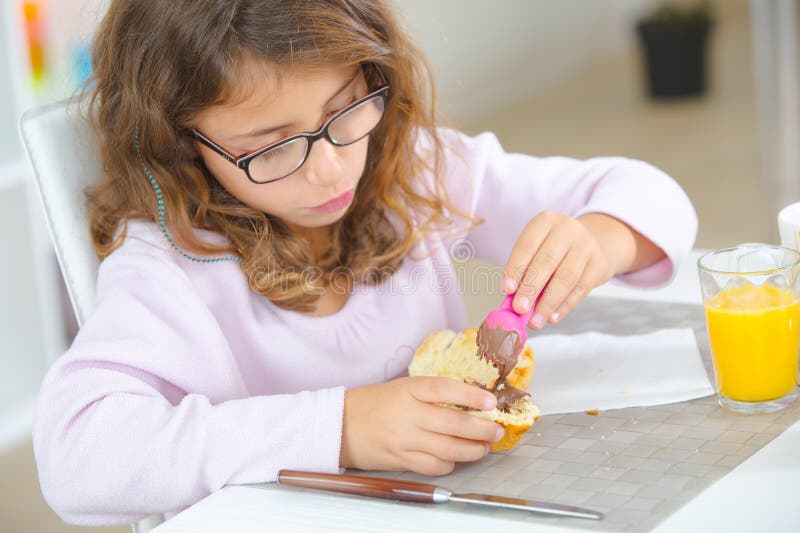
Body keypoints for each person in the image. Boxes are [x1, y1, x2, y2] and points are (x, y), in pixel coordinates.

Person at [32, 0, 697, 526]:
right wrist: (342, 427)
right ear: (179, 144)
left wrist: (602, 238)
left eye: (344, 109)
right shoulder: (171, 264)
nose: (330, 168)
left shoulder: (419, 173)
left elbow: (652, 194)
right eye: (271, 146)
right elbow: (78, 459)